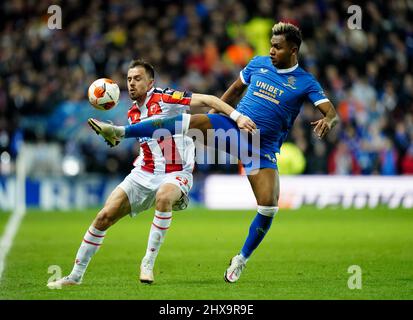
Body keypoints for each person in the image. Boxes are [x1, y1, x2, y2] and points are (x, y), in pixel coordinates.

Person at [89, 22, 340, 283]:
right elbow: (233, 91)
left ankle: (241, 259)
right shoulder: (258, 64)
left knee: (269, 207)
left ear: (293, 49)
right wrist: (215, 117)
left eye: (277, 47)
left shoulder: (305, 82)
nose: (272, 51)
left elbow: (331, 113)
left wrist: (328, 121)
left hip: (260, 148)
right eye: (271, 46)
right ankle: (121, 132)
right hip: (232, 128)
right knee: (188, 121)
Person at [47, 59, 256, 288]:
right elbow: (145, 141)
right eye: (128, 79)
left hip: (176, 172)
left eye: (137, 79)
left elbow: (209, 100)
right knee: (103, 216)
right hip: (143, 172)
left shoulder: (166, 96)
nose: (132, 83)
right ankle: (75, 276)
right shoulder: (132, 113)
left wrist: (237, 117)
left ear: (150, 82)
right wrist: (113, 138)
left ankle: (148, 262)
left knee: (164, 197)